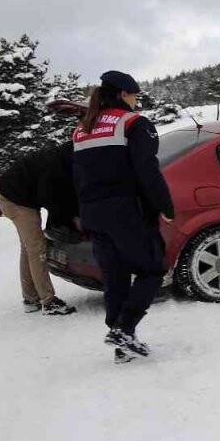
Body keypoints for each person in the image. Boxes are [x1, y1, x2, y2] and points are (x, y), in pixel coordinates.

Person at [72, 71, 174, 363]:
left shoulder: (82, 128)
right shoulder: (133, 123)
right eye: (134, 95)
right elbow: (147, 171)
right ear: (122, 94)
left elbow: (76, 177)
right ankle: (125, 329)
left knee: (115, 276)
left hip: (93, 213)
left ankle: (121, 344)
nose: (136, 100)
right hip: (127, 212)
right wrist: (165, 207)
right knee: (152, 269)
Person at [0, 141, 78, 315]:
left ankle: (30, 298)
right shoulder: (56, 166)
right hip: (16, 201)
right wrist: (65, 222)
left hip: (12, 197)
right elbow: (51, 199)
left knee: (29, 248)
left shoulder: (60, 157)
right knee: (37, 249)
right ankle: (48, 301)